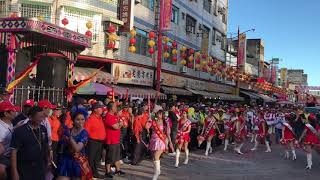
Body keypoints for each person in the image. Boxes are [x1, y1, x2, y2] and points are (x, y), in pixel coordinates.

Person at [11, 106, 49, 180]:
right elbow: (13, 152)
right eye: (39, 117)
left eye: (42, 116)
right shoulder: (19, 131)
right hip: (25, 169)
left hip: (40, 168)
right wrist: (14, 172)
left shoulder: (43, 129)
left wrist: (48, 155)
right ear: (31, 117)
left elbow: (46, 145)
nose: (42, 119)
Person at [56, 109, 92, 180]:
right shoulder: (68, 130)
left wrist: (69, 137)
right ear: (73, 120)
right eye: (78, 119)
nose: (80, 122)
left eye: (82, 119)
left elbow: (77, 148)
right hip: (66, 160)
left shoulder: (84, 133)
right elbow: (62, 146)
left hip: (78, 162)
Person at [84, 102, 106, 179]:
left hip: (100, 142)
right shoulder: (90, 119)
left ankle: (95, 173)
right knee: (91, 159)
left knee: (97, 159)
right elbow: (86, 132)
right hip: (93, 142)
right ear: (95, 109)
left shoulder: (100, 118)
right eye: (100, 108)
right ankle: (90, 174)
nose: (102, 109)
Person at [104, 102, 125, 178]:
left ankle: (118, 169)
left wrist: (119, 124)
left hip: (116, 139)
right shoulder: (108, 116)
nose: (116, 108)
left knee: (117, 156)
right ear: (111, 108)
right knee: (109, 157)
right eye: (115, 107)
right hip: (111, 140)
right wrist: (120, 124)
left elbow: (121, 124)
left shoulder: (115, 116)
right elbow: (116, 126)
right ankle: (108, 171)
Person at [0, 101, 19, 180]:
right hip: (3, 158)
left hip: (12, 156)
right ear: (6, 114)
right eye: (13, 111)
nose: (15, 112)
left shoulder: (10, 123)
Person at [146, 110, 166, 180]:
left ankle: (156, 173)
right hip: (153, 140)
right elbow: (147, 127)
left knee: (156, 156)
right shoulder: (153, 121)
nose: (159, 115)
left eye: (160, 114)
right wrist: (148, 120)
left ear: (162, 115)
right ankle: (158, 170)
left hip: (160, 140)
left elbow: (167, 132)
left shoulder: (165, 122)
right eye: (158, 114)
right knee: (154, 158)